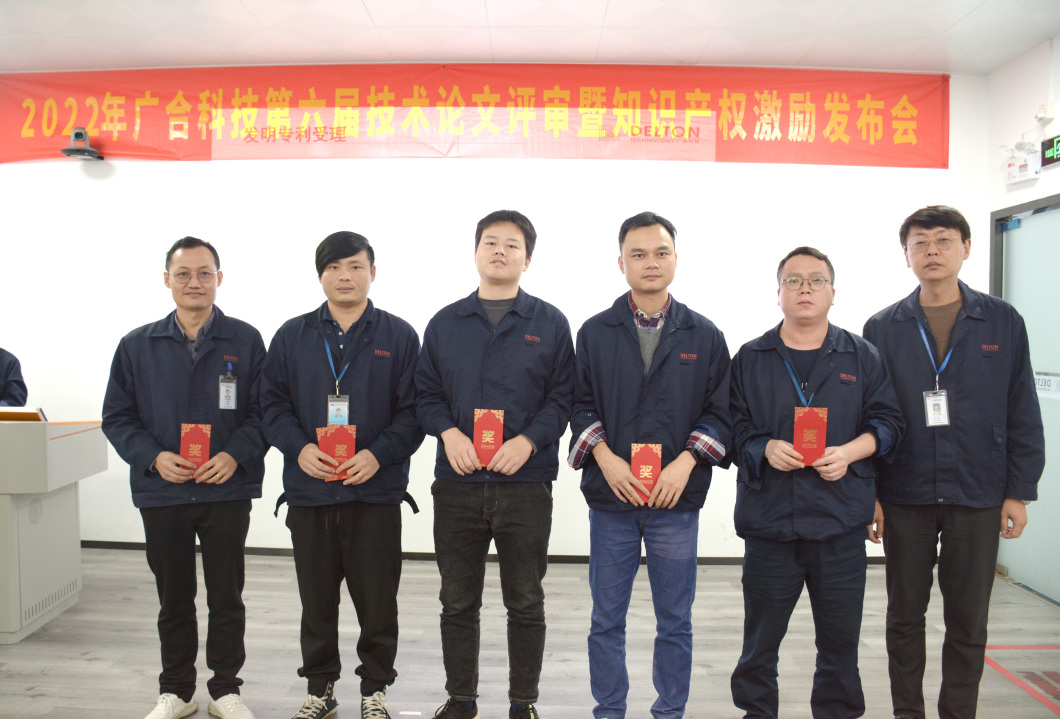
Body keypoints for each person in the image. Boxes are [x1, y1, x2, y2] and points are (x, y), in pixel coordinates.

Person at [863, 206, 1045, 719]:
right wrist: (870, 493)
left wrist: (1019, 491)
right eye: (920, 243)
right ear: (906, 256)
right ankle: (908, 712)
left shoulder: (1002, 321)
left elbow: (1022, 408)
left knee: (968, 621)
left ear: (966, 248)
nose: (932, 251)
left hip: (979, 492)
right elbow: (867, 416)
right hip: (905, 492)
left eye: (943, 240)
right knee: (904, 617)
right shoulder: (883, 326)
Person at [728, 246, 905, 719]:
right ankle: (757, 712)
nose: (804, 289)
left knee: (840, 646)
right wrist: (764, 447)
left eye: (815, 280)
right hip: (770, 524)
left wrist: (849, 452)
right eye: (793, 280)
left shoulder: (862, 356)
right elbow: (731, 428)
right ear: (778, 293)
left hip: (839, 523)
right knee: (759, 645)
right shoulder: (751, 357)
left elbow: (889, 423)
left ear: (832, 292)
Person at [568, 211, 731, 719]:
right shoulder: (595, 332)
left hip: (674, 501)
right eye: (637, 254)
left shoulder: (704, 335)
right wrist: (604, 457)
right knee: (606, 619)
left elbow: (722, 411)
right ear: (621, 264)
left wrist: (686, 461)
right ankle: (609, 710)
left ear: (676, 259)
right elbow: (578, 404)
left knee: (675, 621)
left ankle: (670, 712)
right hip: (612, 498)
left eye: (661, 252)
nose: (650, 262)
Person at [415, 210, 574, 719]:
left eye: (512, 244)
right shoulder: (445, 323)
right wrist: (449, 432)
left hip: (526, 484)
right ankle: (461, 699)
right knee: (457, 601)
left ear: (528, 259)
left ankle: (522, 703)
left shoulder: (549, 323)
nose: (500, 251)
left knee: (525, 600)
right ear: (475, 252)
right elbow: (425, 394)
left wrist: (528, 442)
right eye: (490, 242)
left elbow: (563, 398)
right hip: (458, 483)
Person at [261, 231, 424, 719]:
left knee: (378, 604)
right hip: (311, 493)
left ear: (372, 272)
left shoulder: (398, 336)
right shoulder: (292, 335)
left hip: (374, 493)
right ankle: (320, 689)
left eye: (355, 266)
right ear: (321, 276)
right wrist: (300, 449)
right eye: (334, 267)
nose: (345, 276)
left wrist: (377, 455)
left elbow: (415, 412)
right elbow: (271, 406)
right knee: (316, 602)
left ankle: (375, 690)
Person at [102, 236, 266, 719]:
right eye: (183, 274)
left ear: (220, 278)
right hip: (163, 491)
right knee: (174, 597)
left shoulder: (246, 340)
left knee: (226, 595)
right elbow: (117, 417)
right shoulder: (137, 345)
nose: (194, 282)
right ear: (167, 279)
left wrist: (234, 455)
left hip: (225, 489)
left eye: (204, 273)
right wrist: (153, 457)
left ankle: (225, 690)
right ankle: (176, 690)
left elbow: (266, 411)